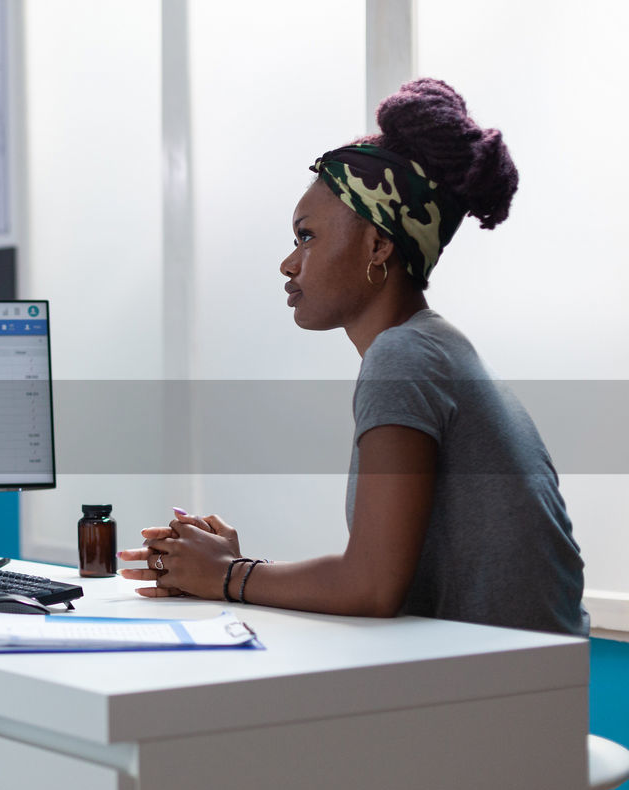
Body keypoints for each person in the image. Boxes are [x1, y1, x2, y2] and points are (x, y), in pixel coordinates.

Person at [120, 79, 586, 636]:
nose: (289, 263)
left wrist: (228, 574)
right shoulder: (434, 346)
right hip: (522, 684)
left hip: (504, 700)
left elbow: (371, 587)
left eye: (307, 236)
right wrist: (229, 571)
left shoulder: (403, 356)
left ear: (379, 246)